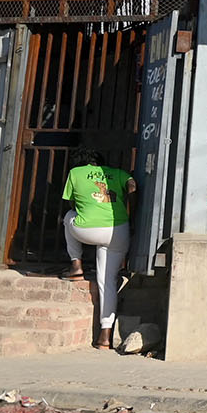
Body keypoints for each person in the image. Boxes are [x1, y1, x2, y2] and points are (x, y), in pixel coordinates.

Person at [60, 147, 134, 350]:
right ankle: (105, 336)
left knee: (68, 217)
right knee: (106, 282)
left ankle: (76, 265)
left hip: (87, 230)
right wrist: (132, 213)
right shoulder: (118, 173)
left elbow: (71, 204)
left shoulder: (75, 173)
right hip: (118, 231)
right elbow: (132, 186)